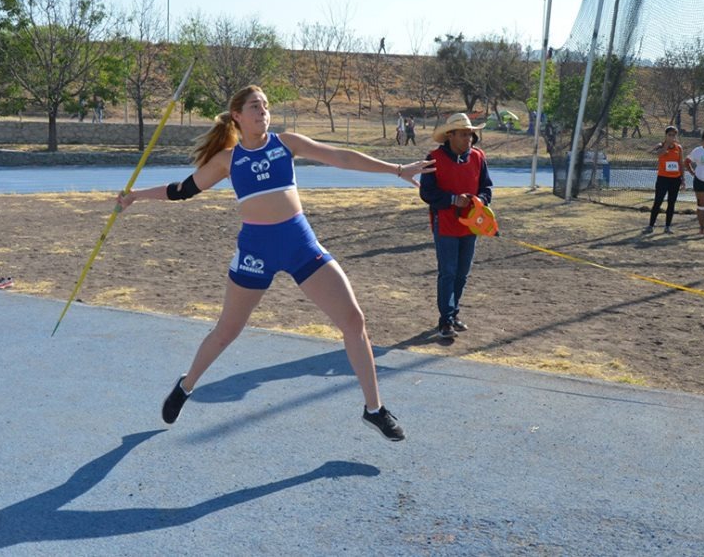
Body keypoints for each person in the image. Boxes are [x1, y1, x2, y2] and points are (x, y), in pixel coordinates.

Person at [116, 85, 434, 442]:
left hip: (299, 243)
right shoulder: (227, 160)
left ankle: (373, 409)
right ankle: (185, 386)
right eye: (255, 107)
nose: (263, 112)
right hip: (256, 250)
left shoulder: (286, 143)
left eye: (266, 106)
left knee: (353, 319)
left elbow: (341, 157)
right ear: (237, 115)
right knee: (227, 331)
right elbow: (182, 190)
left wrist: (397, 169)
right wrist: (136, 197)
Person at [419, 113, 493, 340]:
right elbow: (427, 193)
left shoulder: (479, 158)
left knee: (462, 274)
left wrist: (479, 200)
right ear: (450, 136)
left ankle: (453, 312)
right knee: (448, 272)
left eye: (470, 134)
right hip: (446, 224)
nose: (468, 138)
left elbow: (487, 188)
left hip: (471, 225)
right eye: (463, 134)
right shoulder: (433, 159)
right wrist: (452, 200)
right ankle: (445, 320)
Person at [643, 126, 685, 234]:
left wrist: (682, 179)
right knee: (658, 201)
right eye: (669, 135)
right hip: (663, 178)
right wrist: (665, 145)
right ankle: (651, 225)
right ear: (666, 135)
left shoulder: (678, 148)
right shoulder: (661, 145)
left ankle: (667, 226)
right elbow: (657, 154)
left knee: (671, 202)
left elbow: (680, 163)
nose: (672, 137)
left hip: (675, 179)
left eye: (673, 135)